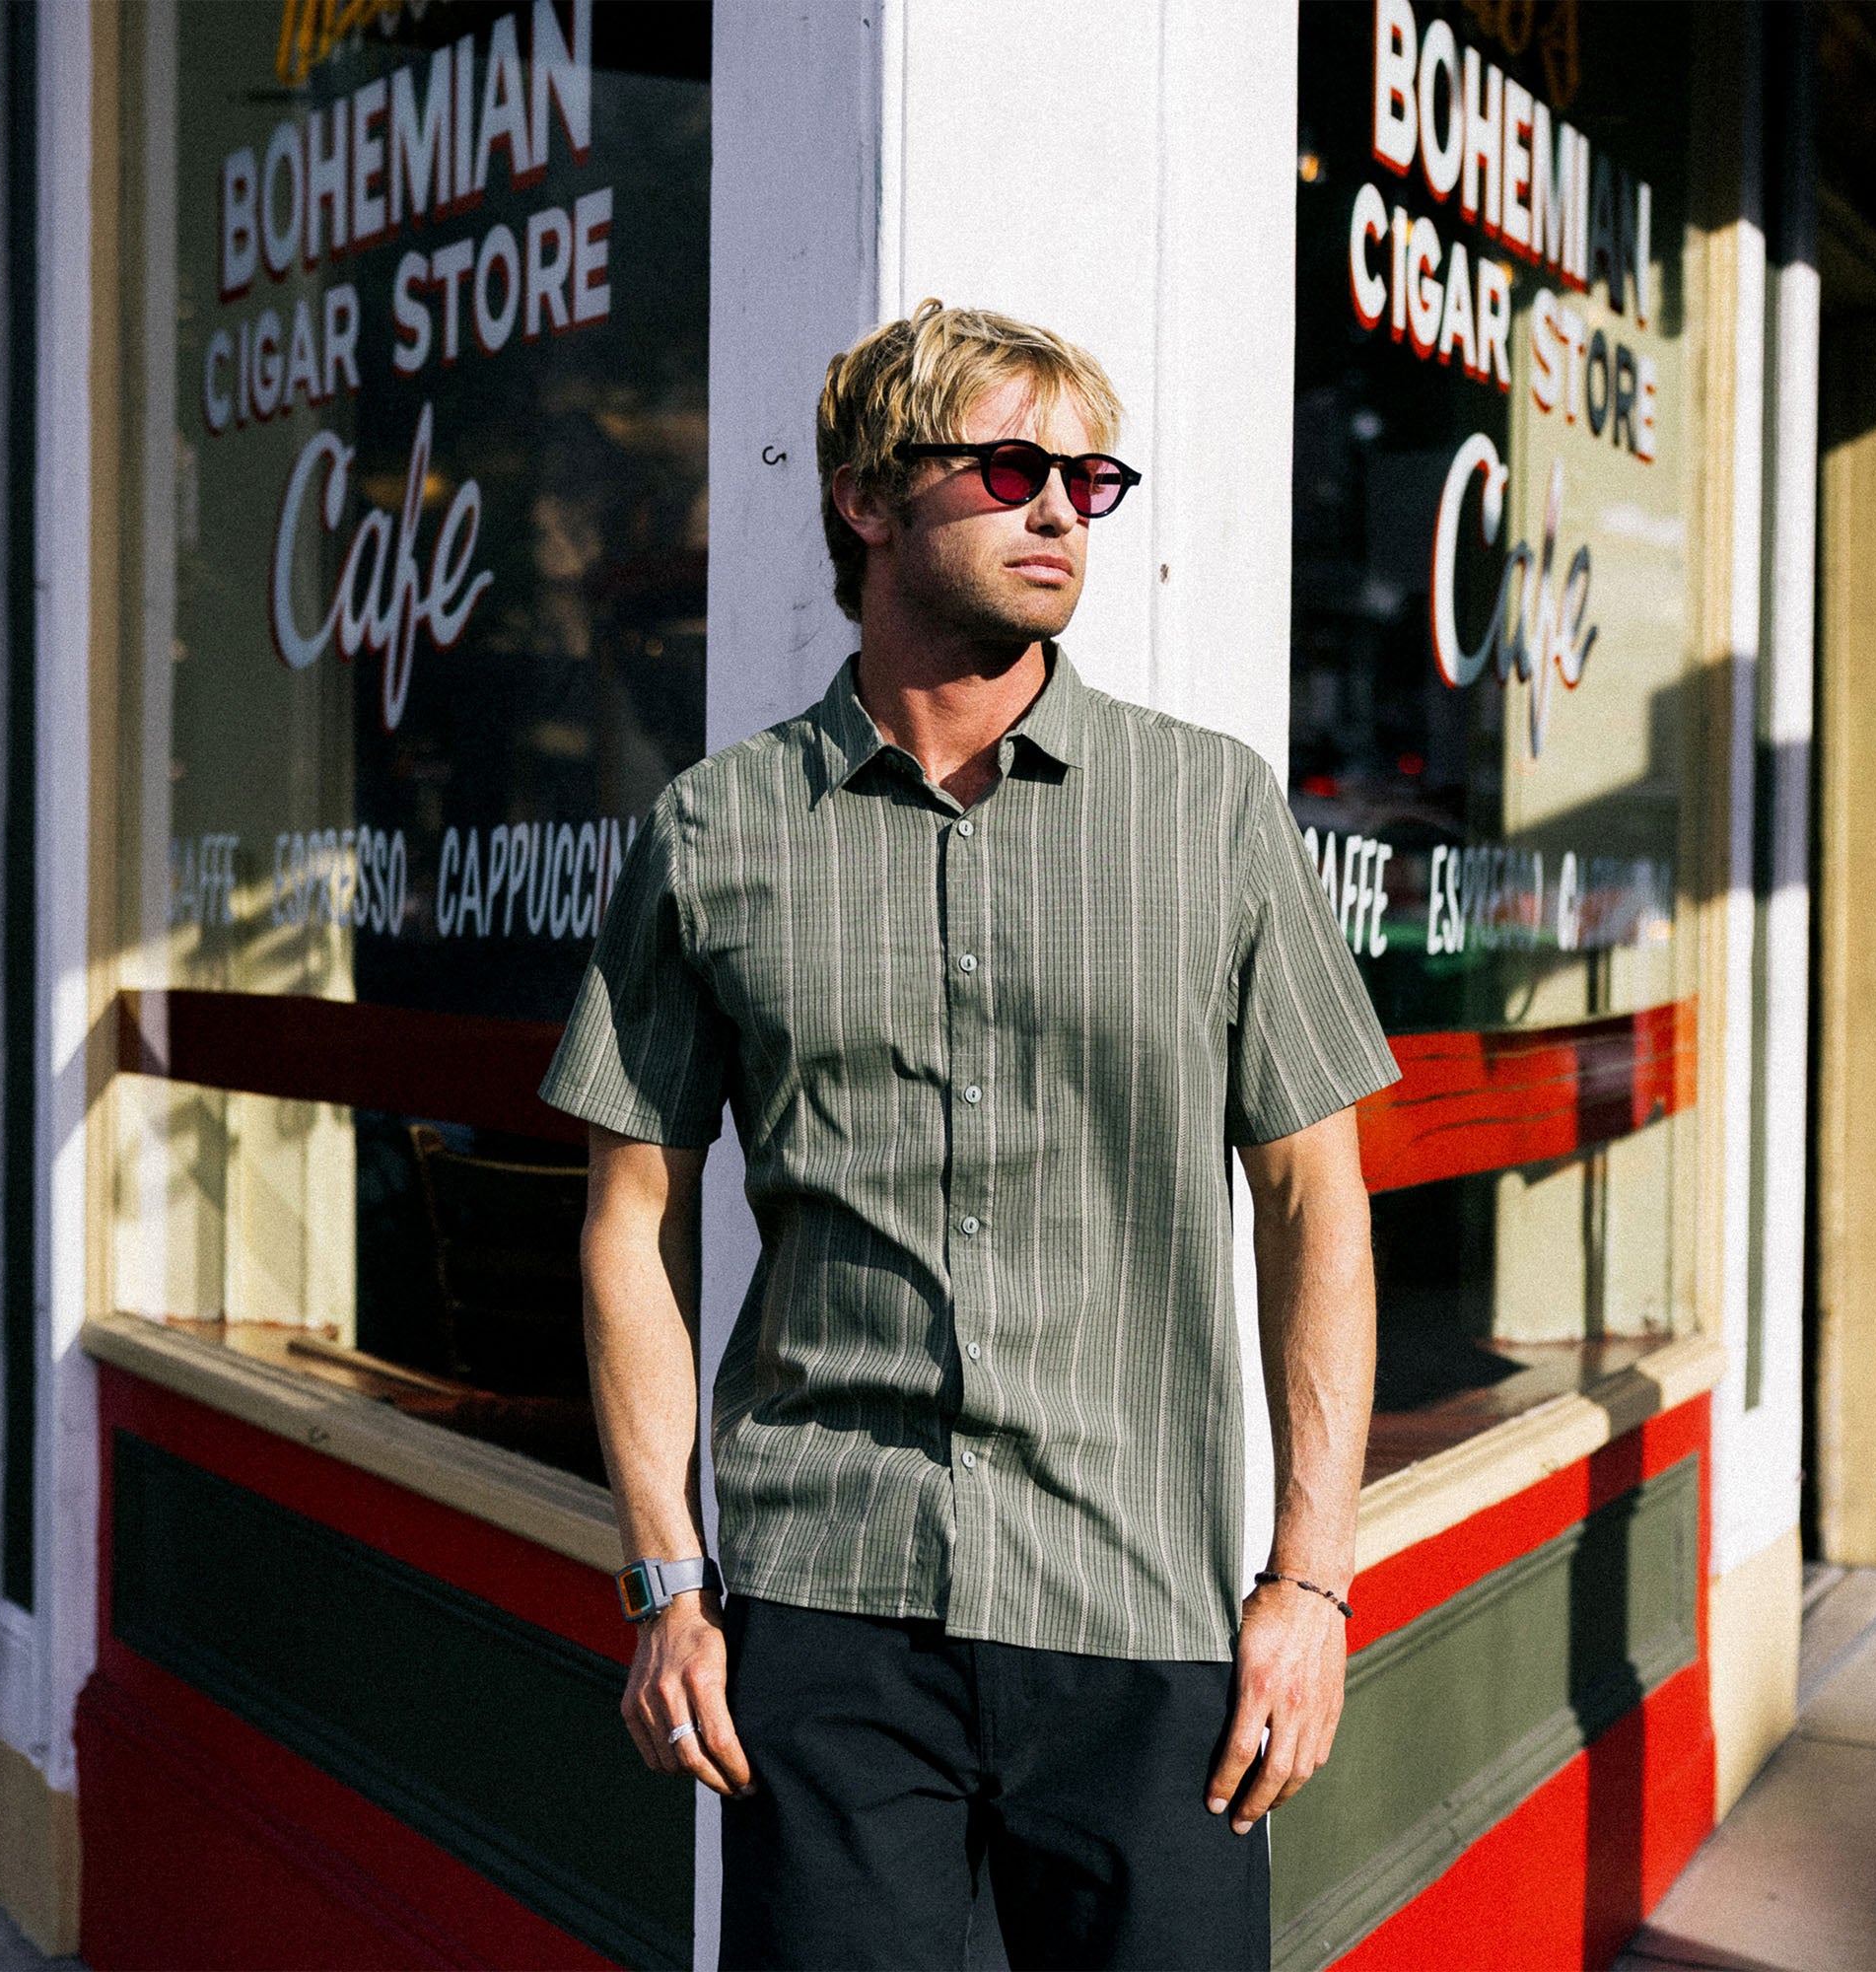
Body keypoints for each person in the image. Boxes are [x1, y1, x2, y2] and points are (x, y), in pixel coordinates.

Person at [540, 299, 1399, 1971]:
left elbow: (1316, 1199)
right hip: (826, 1615)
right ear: (867, 498)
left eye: (1092, 475)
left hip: (1146, 1615)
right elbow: (626, 1213)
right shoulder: (718, 833)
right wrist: (665, 1581)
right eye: (1010, 468)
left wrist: (1309, 1587)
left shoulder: (1209, 808)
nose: (1062, 509)